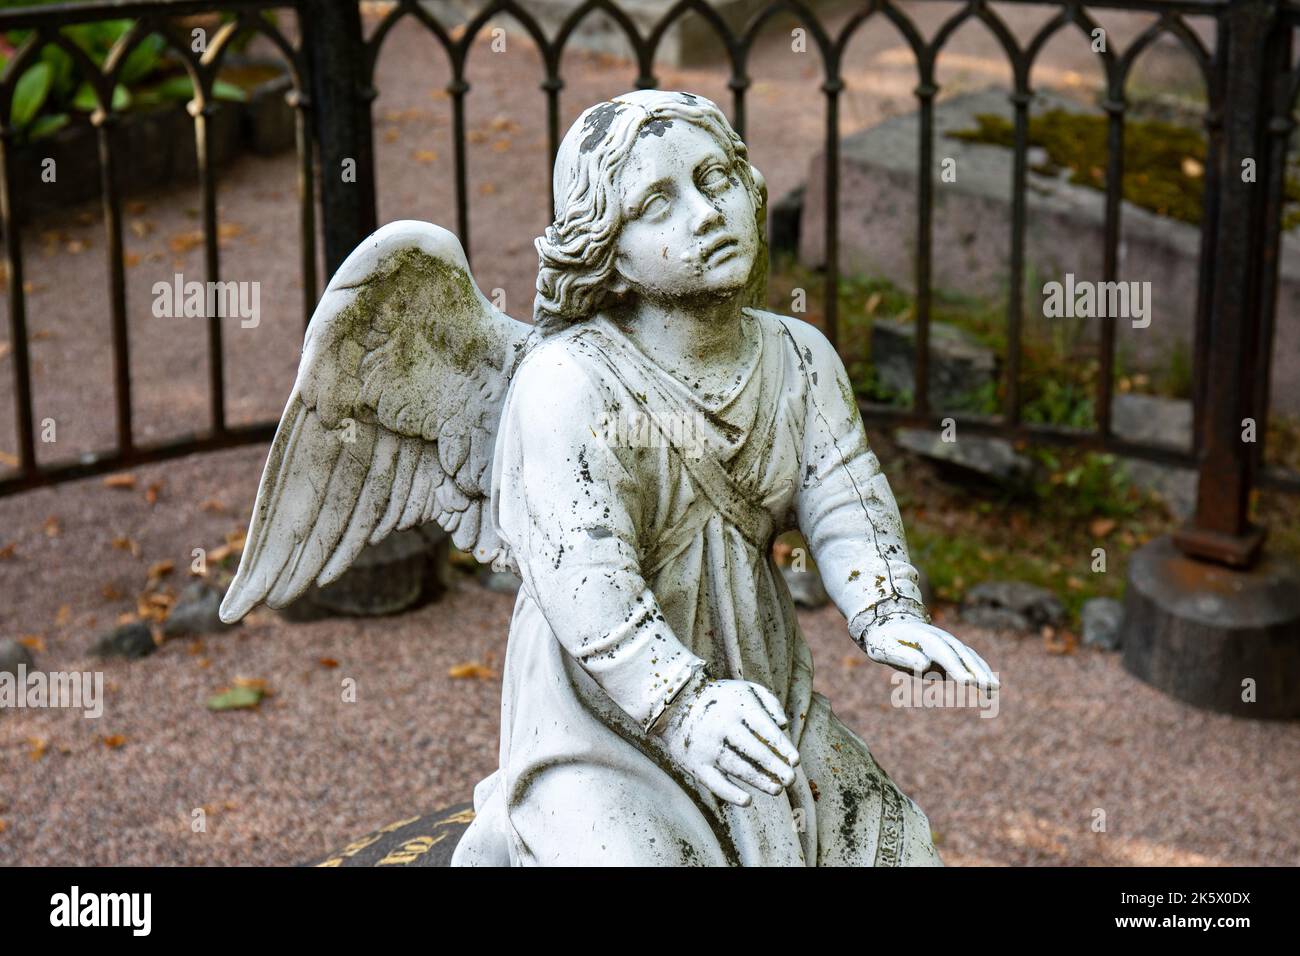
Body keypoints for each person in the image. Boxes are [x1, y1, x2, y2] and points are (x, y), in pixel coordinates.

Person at [452, 90, 998, 866]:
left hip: (764, 694)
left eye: (716, 178)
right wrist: (684, 704)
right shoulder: (568, 383)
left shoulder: (799, 357)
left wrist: (886, 609)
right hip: (603, 715)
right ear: (603, 243)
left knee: (890, 845)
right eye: (655, 203)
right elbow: (584, 577)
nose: (705, 213)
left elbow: (844, 494)